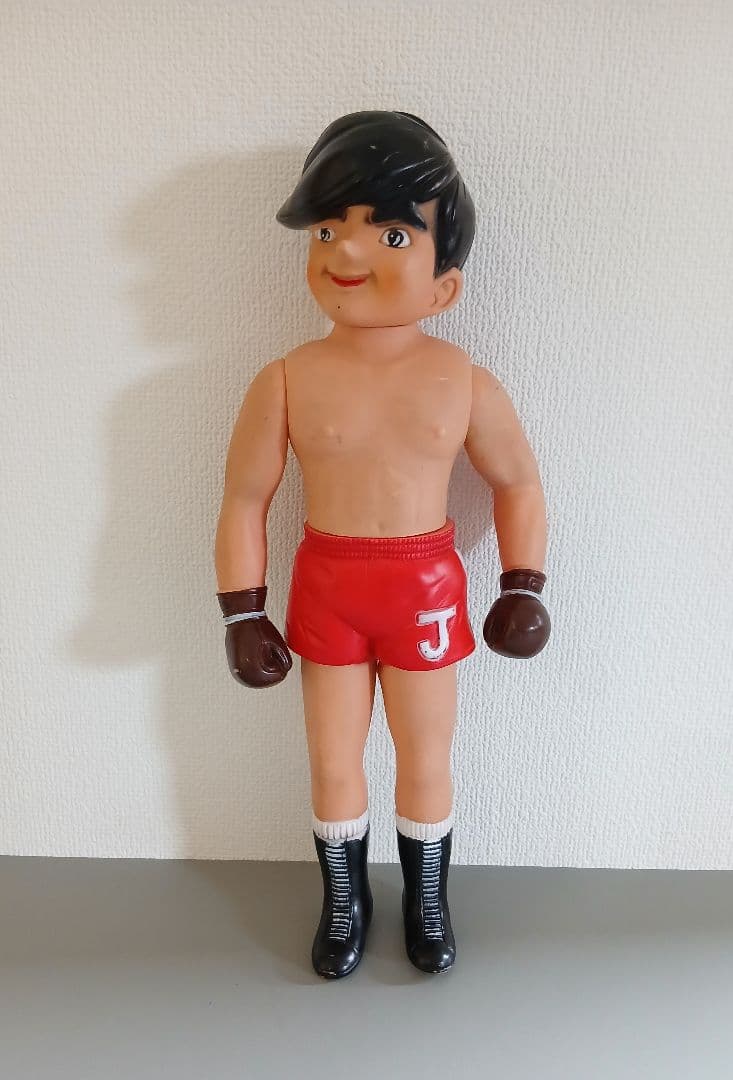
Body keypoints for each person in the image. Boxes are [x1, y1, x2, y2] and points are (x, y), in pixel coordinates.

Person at [215, 111, 550, 979]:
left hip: (423, 589)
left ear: (445, 285)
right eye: (329, 230)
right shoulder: (286, 379)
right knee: (332, 760)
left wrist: (522, 583)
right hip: (328, 585)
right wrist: (241, 612)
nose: (350, 253)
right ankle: (344, 897)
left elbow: (517, 482)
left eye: (392, 234)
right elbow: (245, 497)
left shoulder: (462, 381)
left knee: (425, 756)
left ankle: (426, 898)